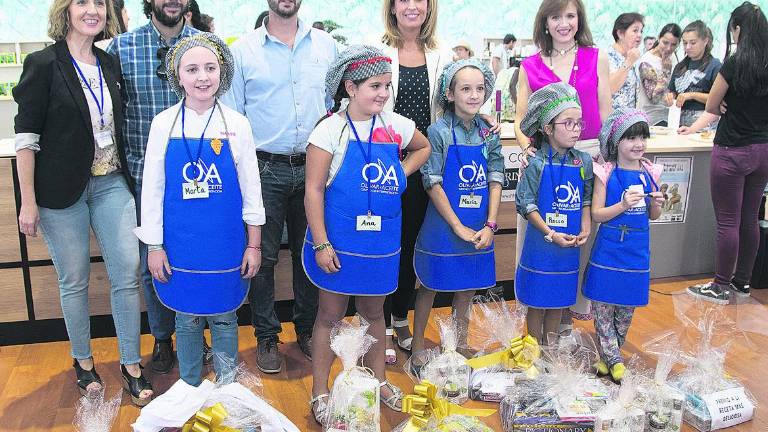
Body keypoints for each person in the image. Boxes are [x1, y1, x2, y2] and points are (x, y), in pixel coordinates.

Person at [13, 0, 152, 405]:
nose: (91, 10)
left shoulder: (108, 64)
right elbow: (26, 137)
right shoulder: (43, 64)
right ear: (66, 11)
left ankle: (131, 364)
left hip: (110, 183)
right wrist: (28, 201)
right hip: (60, 191)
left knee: (127, 271)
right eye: (81, 2)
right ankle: (83, 361)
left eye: (98, 3)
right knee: (73, 280)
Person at [304, 45, 431, 424]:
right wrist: (322, 243)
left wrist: (400, 172)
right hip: (340, 240)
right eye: (375, 85)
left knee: (374, 312)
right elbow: (313, 190)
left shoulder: (396, 125)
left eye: (387, 86)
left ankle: (379, 381)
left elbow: (422, 148)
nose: (383, 93)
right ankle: (320, 391)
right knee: (330, 314)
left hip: (381, 242)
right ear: (350, 86)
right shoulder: (329, 130)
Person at [136, 33, 265, 386]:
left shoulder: (237, 124)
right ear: (178, 76)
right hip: (180, 243)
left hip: (226, 243)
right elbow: (153, 192)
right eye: (192, 69)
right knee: (186, 319)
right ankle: (189, 388)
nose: (202, 77)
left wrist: (253, 245)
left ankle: (227, 392)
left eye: (210, 68)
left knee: (225, 317)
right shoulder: (163, 124)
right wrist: (154, 246)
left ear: (222, 72)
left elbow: (252, 190)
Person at [221, 0, 338, 374]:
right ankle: (267, 335)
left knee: (310, 254)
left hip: (314, 167)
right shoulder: (242, 51)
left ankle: (306, 328)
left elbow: (337, 107)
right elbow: (233, 117)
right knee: (263, 257)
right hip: (263, 167)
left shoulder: (326, 46)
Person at [108, 0, 199, 375]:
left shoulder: (204, 46)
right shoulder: (121, 48)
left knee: (195, 255)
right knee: (153, 263)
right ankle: (162, 339)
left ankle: (195, 332)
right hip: (144, 177)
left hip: (198, 178)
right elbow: (113, 112)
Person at [514, 0, 611, 333]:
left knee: (579, 241)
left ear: (579, 19)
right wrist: (528, 149)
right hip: (544, 159)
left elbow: (606, 114)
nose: (564, 23)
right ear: (545, 21)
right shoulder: (529, 65)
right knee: (540, 241)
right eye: (556, 16)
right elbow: (520, 117)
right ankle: (536, 324)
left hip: (586, 156)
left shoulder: (596, 58)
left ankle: (564, 326)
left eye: (570, 15)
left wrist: (605, 161)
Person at [411, 59, 503, 358]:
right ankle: (417, 346)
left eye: (479, 88)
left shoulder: (488, 132)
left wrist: (490, 225)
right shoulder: (436, 132)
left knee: (467, 286)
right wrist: (456, 225)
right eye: (466, 89)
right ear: (449, 94)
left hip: (478, 224)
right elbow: (432, 182)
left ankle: (458, 346)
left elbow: (495, 177)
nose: (474, 95)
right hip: (443, 224)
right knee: (429, 285)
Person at [379, 0, 452, 360]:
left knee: (411, 244)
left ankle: (399, 318)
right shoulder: (378, 50)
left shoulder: (442, 54)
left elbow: (452, 105)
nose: (411, 6)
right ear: (392, 8)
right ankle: (379, 325)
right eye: (402, 0)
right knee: (385, 243)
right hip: (382, 164)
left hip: (427, 163)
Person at [687, 2, 768, 304]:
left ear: (737, 29)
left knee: (727, 222)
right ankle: (743, 282)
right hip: (763, 151)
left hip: (733, 149)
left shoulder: (736, 62)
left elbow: (711, 105)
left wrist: (724, 105)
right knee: (750, 218)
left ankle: (720, 284)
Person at [584, 108, 664, 382]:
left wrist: (658, 205)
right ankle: (616, 360)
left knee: (626, 311)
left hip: (636, 253)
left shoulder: (652, 172)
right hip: (608, 250)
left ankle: (608, 358)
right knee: (603, 307)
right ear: (616, 141)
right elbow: (596, 214)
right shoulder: (606, 172)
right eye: (631, 138)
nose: (638, 144)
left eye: (642, 137)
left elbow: (653, 216)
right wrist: (621, 205)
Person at [515, 82, 594, 344]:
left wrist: (586, 226)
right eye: (568, 123)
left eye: (579, 123)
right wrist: (550, 233)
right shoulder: (535, 162)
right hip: (542, 245)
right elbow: (526, 204)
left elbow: (585, 197)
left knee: (559, 300)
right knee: (537, 301)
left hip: (569, 246)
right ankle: (533, 348)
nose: (575, 129)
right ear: (548, 128)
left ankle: (550, 350)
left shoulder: (582, 161)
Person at [665, 20, 721, 131]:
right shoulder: (680, 66)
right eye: (685, 43)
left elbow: (718, 100)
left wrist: (692, 95)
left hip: (704, 124)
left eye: (693, 42)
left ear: (705, 41)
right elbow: (672, 91)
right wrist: (669, 96)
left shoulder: (715, 66)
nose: (688, 47)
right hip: (678, 121)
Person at [637, 24, 681, 126]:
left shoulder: (674, 57)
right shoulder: (647, 61)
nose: (668, 48)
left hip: (669, 116)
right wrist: (666, 71)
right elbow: (654, 97)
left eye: (674, 44)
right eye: (665, 42)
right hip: (650, 118)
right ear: (659, 38)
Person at [608, 13, 644, 109]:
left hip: (629, 119)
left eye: (641, 31)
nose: (639, 35)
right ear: (620, 33)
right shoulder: (607, 56)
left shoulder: (632, 56)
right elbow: (610, 88)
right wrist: (628, 62)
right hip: (612, 119)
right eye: (635, 30)